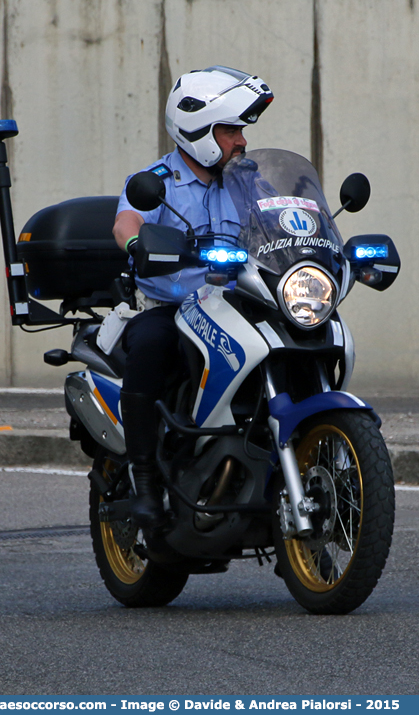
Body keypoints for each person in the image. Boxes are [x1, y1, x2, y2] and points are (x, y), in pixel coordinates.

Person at [112, 65, 273, 531]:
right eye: (229, 129)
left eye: (241, 129)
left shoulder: (246, 181)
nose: (241, 140)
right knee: (150, 346)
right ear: (198, 130)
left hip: (237, 306)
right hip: (172, 309)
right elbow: (127, 223)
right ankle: (144, 481)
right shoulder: (154, 180)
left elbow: (275, 220)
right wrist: (137, 245)